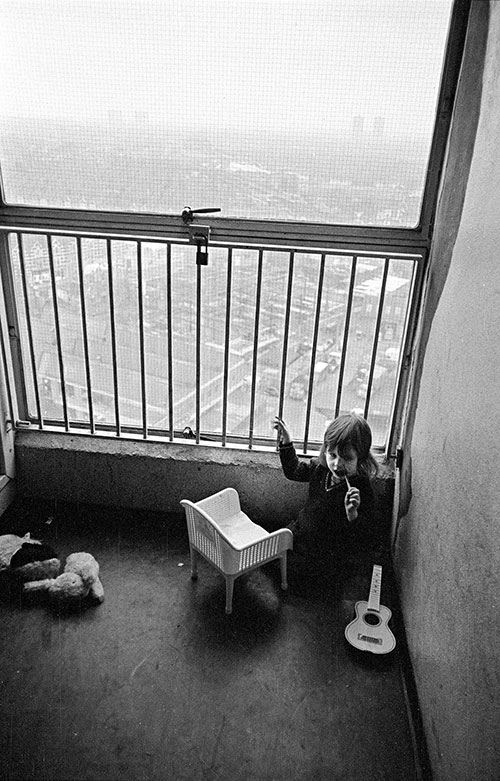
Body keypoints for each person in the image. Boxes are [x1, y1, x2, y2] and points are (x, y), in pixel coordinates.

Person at [273, 412, 379, 580]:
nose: (337, 464)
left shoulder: (361, 488)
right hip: (300, 533)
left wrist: (353, 515)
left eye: (347, 458)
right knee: (273, 561)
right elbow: (293, 471)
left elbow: (367, 535)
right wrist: (287, 442)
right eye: (333, 455)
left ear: (361, 458)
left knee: (303, 580)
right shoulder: (320, 469)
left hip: (327, 551)